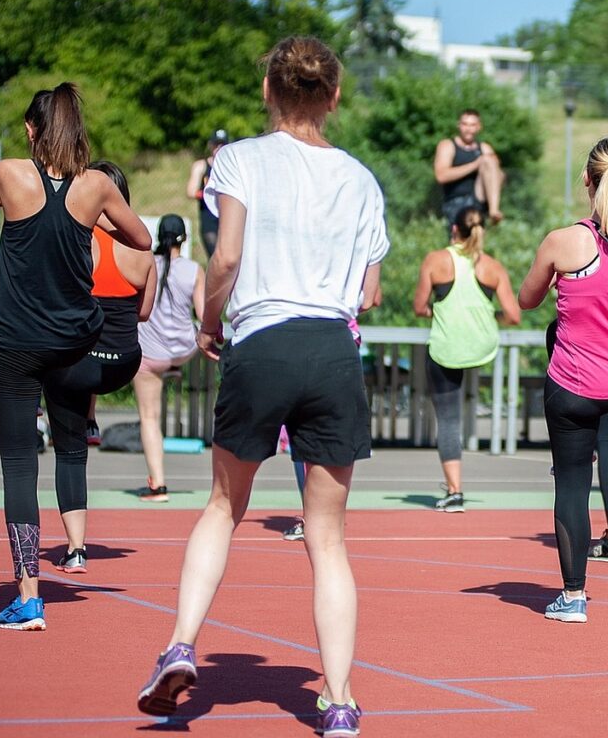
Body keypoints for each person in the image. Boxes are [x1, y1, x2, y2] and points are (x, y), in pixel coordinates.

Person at [137, 37, 389, 738]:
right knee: (329, 539)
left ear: (268, 92)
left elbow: (227, 256)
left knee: (223, 506)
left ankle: (181, 644)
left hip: (263, 338)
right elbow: (368, 290)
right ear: (333, 96)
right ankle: (338, 702)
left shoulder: (239, 158)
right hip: (332, 347)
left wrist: (211, 322)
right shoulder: (362, 180)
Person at [0, 83, 151, 631]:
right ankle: (77, 502)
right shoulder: (97, 186)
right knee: (68, 440)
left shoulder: (10, 173)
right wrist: (93, 218)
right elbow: (143, 238)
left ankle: (28, 595)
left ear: (32, 131)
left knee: (17, 464)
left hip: (12, 343)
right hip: (72, 343)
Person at [519, 137, 608, 623]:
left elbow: (526, 299)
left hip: (574, 384)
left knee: (572, 484)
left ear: (587, 180)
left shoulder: (562, 241)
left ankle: (573, 595)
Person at [48, 161, 156, 573]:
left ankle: (76, 549)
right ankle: (90, 415)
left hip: (79, 365)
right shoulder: (142, 251)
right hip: (123, 363)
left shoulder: (74, 242)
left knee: (70, 453)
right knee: (86, 348)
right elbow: (144, 314)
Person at [413, 205, 520, 512]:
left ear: (453, 230)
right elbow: (513, 316)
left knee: (448, 419)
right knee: (469, 399)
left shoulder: (436, 261)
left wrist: (440, 310)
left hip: (447, 348)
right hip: (482, 346)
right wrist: (488, 315)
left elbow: (420, 307)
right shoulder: (492, 267)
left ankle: (455, 491)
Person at [133, 214, 205, 503]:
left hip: (150, 355)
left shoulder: (146, 264)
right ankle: (174, 369)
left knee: (149, 418)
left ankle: (158, 486)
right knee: (188, 343)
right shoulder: (194, 270)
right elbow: (202, 314)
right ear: (184, 239)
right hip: (184, 349)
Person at [434, 109, 504, 226]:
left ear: (479, 127)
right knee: (460, 243)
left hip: (479, 202)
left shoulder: (485, 148)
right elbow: (441, 176)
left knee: (489, 160)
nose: (468, 129)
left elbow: (499, 177)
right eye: (465, 124)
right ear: (459, 125)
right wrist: (475, 165)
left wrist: (497, 174)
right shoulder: (448, 145)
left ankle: (494, 210)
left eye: (472, 125)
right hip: (456, 203)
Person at [186, 129, 229, 259]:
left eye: (223, 144)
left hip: (227, 217)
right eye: (216, 144)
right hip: (209, 217)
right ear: (211, 145)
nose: (219, 148)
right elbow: (190, 191)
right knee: (215, 257)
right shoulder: (201, 166)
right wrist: (210, 193)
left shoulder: (231, 165)